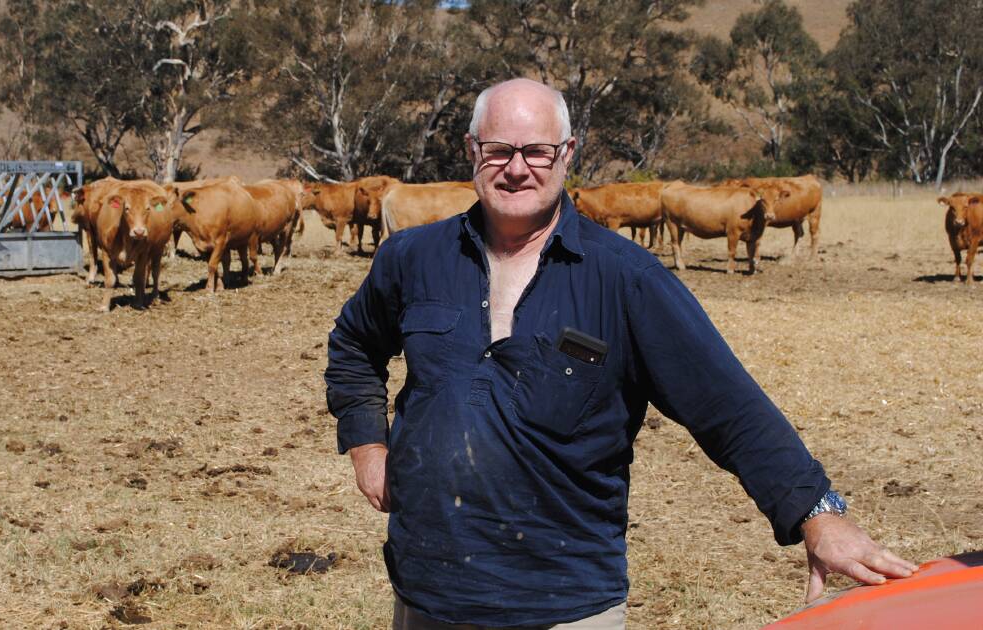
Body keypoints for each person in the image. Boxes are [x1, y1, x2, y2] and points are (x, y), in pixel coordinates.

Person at [324, 78, 916, 629]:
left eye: (537, 151)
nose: (516, 169)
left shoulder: (627, 278)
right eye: (499, 150)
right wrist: (367, 445)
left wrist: (820, 514)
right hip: (429, 591)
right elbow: (354, 343)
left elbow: (726, 406)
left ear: (568, 153)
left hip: (565, 600)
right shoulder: (412, 257)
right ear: (471, 150)